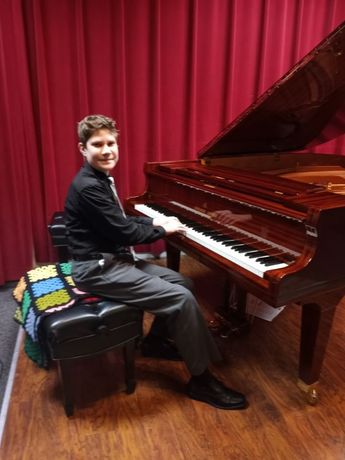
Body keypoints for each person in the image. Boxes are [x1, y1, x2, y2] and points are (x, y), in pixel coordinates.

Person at [64, 114, 248, 410]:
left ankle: (155, 342)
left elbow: (118, 222)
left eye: (111, 142)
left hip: (112, 260)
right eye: (98, 144)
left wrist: (154, 219)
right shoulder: (88, 186)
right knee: (181, 298)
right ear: (82, 149)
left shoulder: (98, 179)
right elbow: (123, 231)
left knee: (182, 280)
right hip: (96, 269)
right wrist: (162, 228)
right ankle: (201, 380)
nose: (107, 149)